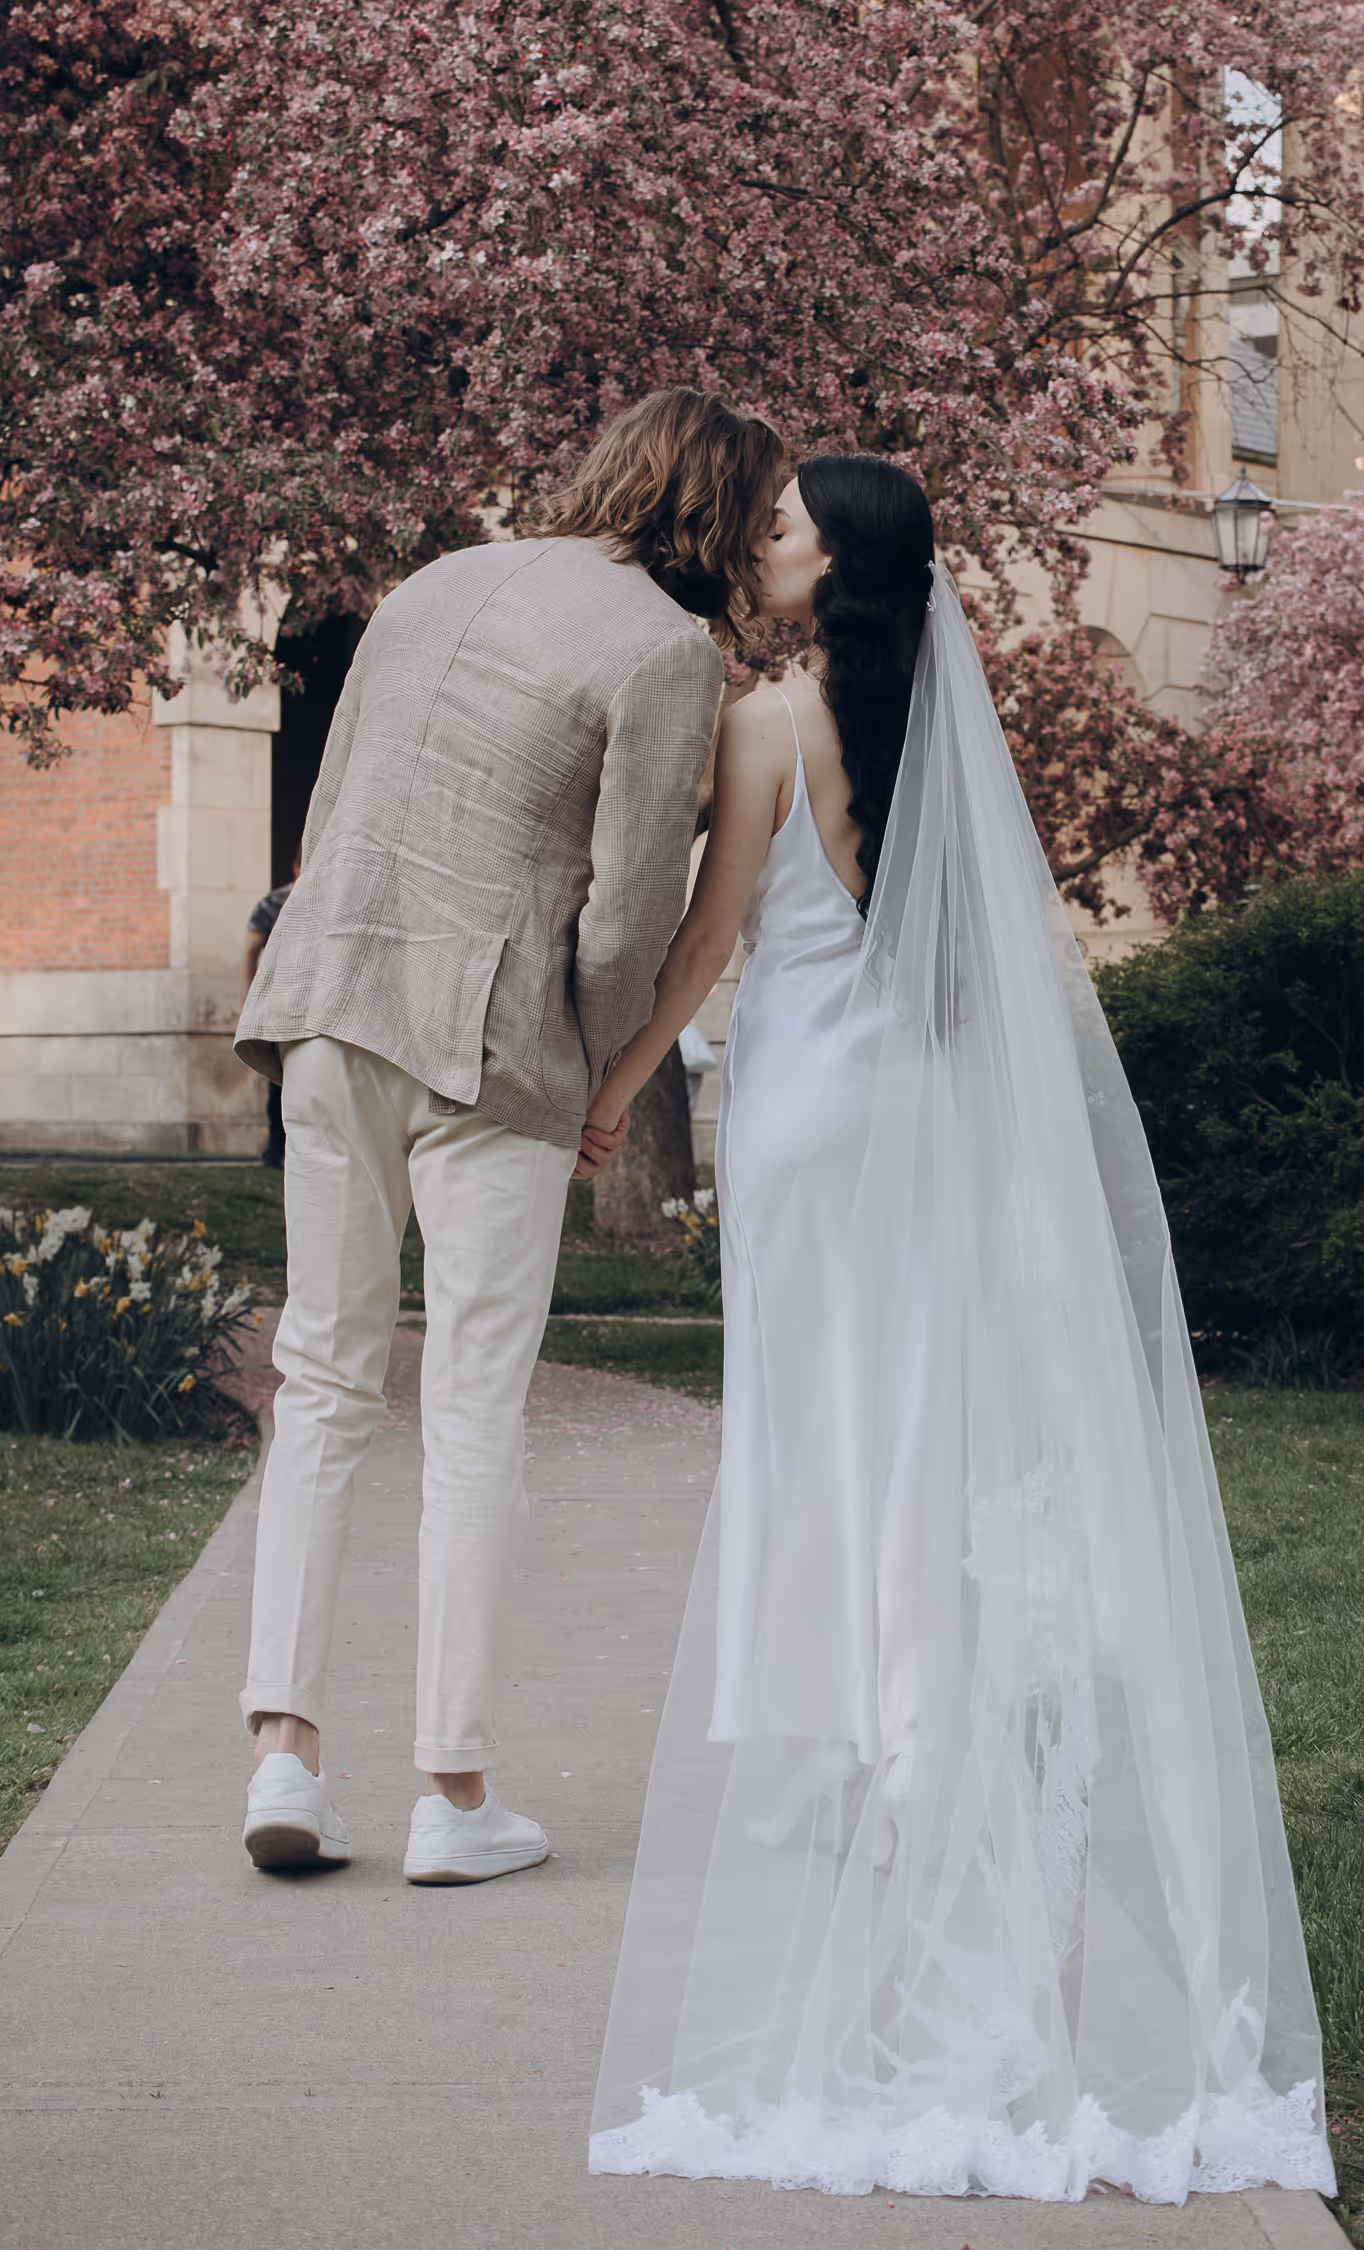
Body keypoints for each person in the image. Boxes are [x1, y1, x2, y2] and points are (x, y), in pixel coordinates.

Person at [581, 457, 1338, 2204]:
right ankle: (928, 1760)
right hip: (925, 1126)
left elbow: (708, 947)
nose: (756, 547)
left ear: (835, 557)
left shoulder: (771, 722)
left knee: (828, 1452)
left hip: (805, 1134)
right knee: (923, 1440)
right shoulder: (936, 725)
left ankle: (883, 1774)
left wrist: (615, 1088)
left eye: (778, 526)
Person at [233, 388, 783, 1884]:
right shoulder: (669, 651)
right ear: (723, 516)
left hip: (332, 995)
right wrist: (599, 1074)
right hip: (493, 1047)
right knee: (474, 1407)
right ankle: (452, 1795)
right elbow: (624, 914)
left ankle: (283, 1752)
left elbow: (336, 801)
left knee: (323, 1380)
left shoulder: (438, 580)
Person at [241, 851, 300, 1167]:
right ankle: (276, 1149)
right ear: (295, 866)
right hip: (278, 1003)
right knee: (277, 1081)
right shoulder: (273, 904)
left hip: (302, 1003)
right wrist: (248, 1000)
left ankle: (286, 1150)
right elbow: (251, 950)